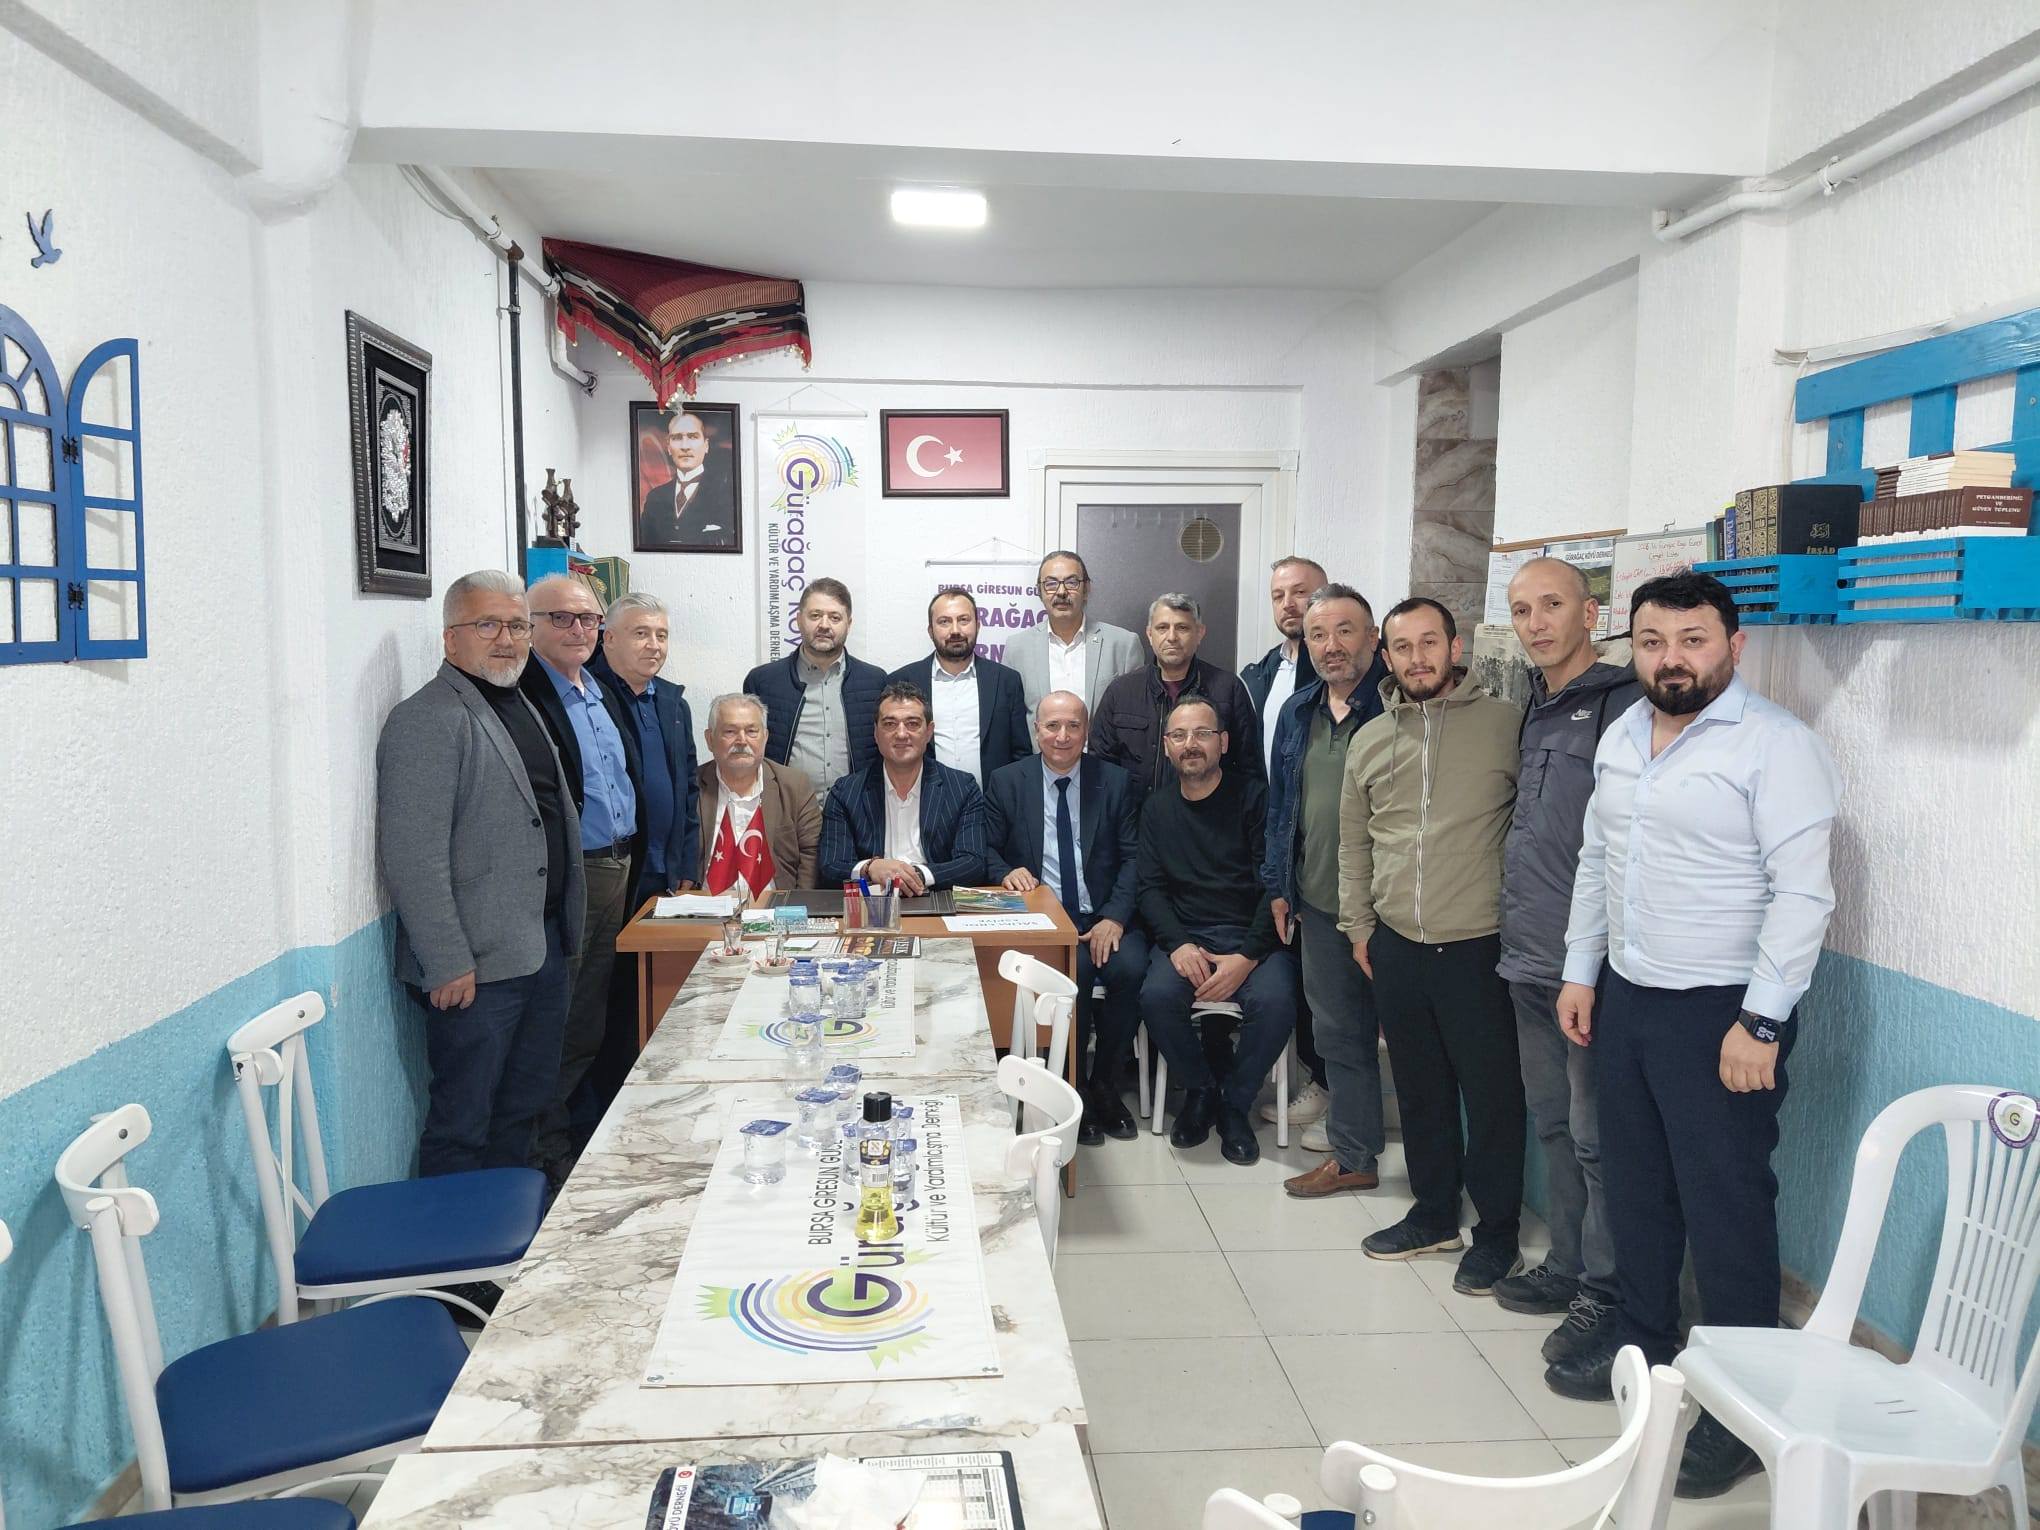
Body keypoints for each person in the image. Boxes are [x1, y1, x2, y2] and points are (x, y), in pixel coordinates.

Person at [1558, 572, 1838, 1497]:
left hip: (1724, 1013)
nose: (1670, 659)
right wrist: (1581, 970)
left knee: (1726, 1210)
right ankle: (1645, 1356)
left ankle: (1741, 1414)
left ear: (1733, 646)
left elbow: (1804, 895)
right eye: (1651, 642)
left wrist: (1761, 1021)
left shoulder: (1777, 746)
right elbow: (1599, 859)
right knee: (1638, 1191)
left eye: (1692, 640)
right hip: (1629, 995)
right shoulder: (1624, 734)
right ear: (1632, 647)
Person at [1337, 596, 1526, 1294]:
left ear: (1455, 647)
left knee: (1493, 1097)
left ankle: (1498, 1234)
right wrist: (1359, 926)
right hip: (1396, 944)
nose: (1416, 658)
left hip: (1479, 946)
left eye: (1428, 643)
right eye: (1402, 647)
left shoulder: (1507, 726)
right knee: (1420, 1091)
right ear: (1385, 657)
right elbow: (1354, 844)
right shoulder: (1370, 738)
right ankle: (1434, 1214)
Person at [376, 570, 583, 1177]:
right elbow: (412, 853)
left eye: (517, 625)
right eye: (487, 624)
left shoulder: (519, 703)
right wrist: (446, 961)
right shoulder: (428, 718)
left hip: (539, 947)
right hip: (476, 969)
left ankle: (504, 1228)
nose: (506, 639)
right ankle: (454, 1240)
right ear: (450, 638)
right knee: (462, 1124)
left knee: (522, 1109)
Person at [1494, 557, 1643, 1395]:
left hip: (1590, 967)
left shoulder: (1623, 704)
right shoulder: (1535, 701)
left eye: (1552, 605)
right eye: (1522, 610)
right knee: (1552, 1122)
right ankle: (1566, 1264)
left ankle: (1606, 1292)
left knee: (1596, 1138)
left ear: (1591, 613)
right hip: (1528, 953)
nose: (1536, 623)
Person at [1261, 584, 1392, 1196]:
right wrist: (1279, 885)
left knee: (1414, 1040)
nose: (1331, 645)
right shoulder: (1298, 711)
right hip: (1318, 902)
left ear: (1373, 637)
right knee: (1338, 1035)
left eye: (1344, 631)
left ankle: (1441, 1175)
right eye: (1318, 634)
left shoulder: (1397, 706)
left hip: (1395, 909)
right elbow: (1282, 806)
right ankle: (1355, 1155)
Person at [1135, 695, 1298, 1167]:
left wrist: (1247, 957)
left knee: (1276, 1002)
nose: (1191, 744)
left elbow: (1275, 886)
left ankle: (1235, 1103)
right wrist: (1179, 945)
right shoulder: (1156, 809)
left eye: (1203, 734)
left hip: (1252, 938)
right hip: (1188, 936)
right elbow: (1149, 888)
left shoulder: (1255, 799)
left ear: (1223, 743)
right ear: (1167, 746)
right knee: (1156, 997)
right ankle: (1202, 1089)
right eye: (1180, 735)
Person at [518, 574, 642, 1184]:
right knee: (559, 1015)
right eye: (561, 618)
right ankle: (543, 1150)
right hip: (572, 875)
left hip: (617, 866)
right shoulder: (526, 695)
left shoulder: (597, 689)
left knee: (590, 1011)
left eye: (588, 619)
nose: (578, 630)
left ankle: (564, 1131)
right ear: (531, 625)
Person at [983, 691, 1146, 1143]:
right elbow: (985, 848)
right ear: (1036, 730)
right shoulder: (1007, 781)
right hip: (1047, 920)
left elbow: (1135, 858)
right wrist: (1004, 871)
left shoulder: (1114, 782)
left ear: (1086, 731)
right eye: (1052, 725)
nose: (1062, 736)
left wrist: (1114, 917)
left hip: (1105, 914)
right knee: (1075, 975)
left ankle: (1105, 1084)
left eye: (1073, 725)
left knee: (1132, 969)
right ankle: (1074, 1092)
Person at [1243, 555, 1333, 1127]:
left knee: (1327, 975)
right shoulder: (1259, 673)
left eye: (1301, 592)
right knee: (1295, 963)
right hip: (1276, 837)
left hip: (1324, 838)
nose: (1289, 604)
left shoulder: (1336, 673)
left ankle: (1330, 1085)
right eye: (1279, 595)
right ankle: (1313, 1078)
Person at [817, 681, 989, 891]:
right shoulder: (845, 793)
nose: (901, 734)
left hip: (935, 896)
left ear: (929, 732)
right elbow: (830, 866)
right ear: (876, 733)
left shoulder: (962, 788)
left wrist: (917, 875)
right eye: (890, 724)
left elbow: (973, 863)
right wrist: (870, 868)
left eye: (912, 724)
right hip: (872, 901)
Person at [1091, 593, 1262, 800]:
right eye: (1162, 628)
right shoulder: (1120, 692)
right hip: (1136, 816)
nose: (1171, 637)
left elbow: (1249, 768)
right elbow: (1101, 768)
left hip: (1210, 817)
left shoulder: (1229, 690)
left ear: (1199, 633)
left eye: (1182, 628)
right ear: (1149, 634)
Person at [590, 592, 701, 910]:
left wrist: (687, 863)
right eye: (641, 633)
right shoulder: (589, 696)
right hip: (610, 869)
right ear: (609, 638)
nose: (654, 645)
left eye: (661, 635)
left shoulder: (673, 704)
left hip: (666, 871)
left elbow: (688, 790)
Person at [744, 578, 887, 795]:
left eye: (835, 617)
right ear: (798, 620)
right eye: (815, 615)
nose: (824, 625)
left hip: (856, 809)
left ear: (849, 624)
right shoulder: (762, 682)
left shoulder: (875, 682)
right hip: (787, 808)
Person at [885, 588, 1030, 784]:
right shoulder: (902, 681)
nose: (955, 630)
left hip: (991, 800)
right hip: (926, 800)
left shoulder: (1006, 681)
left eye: (963, 620)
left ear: (978, 625)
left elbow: (1021, 755)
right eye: (944, 621)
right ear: (930, 631)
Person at [697, 692, 824, 897]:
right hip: (705, 906)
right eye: (730, 731)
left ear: (765, 737)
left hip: (776, 906)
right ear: (710, 739)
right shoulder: (689, 787)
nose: (741, 740)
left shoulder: (795, 786)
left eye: (751, 731)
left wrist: (799, 904)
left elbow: (812, 853)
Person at [1003, 549, 1144, 730]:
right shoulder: (1017, 648)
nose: (1061, 592)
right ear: (1039, 591)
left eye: (1071, 582)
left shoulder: (1123, 645)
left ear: (1086, 589)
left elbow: (1134, 718)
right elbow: (1010, 720)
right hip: (1038, 750)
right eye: (1051, 584)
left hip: (1101, 749)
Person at [638, 410, 738, 548]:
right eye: (677, 438)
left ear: (706, 445)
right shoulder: (655, 497)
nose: (685, 446)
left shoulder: (726, 493)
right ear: (668, 447)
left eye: (693, 437)